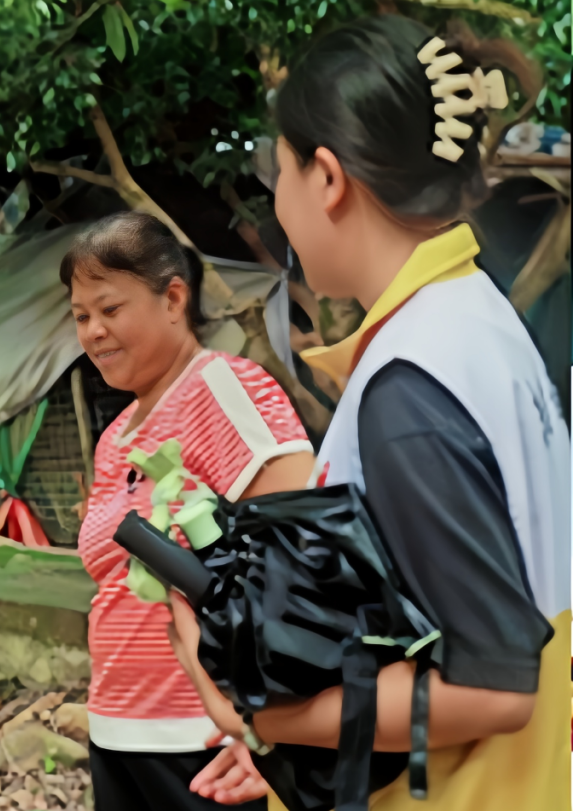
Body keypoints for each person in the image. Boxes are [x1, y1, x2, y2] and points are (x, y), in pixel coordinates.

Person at [168, 15, 570, 811]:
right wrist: (319, 739)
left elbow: (493, 688)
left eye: (275, 173)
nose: (276, 204)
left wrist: (265, 711)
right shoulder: (480, 324)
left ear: (326, 177)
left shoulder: (411, 387)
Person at [61, 210, 316, 811]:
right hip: (118, 733)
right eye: (80, 317)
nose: (93, 331)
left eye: (110, 308)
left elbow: (306, 548)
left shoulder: (224, 387)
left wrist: (274, 725)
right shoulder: (116, 435)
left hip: (210, 744)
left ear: (173, 298)